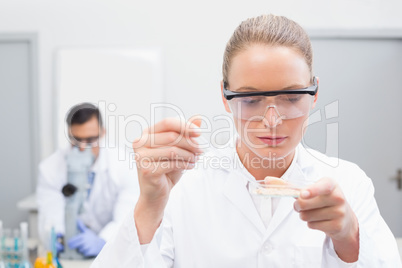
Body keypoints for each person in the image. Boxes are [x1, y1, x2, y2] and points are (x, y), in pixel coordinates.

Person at [91, 15, 401, 267]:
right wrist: (149, 206)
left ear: (315, 93)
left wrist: (348, 237)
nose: (272, 120)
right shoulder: (183, 188)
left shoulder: (350, 182)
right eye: (250, 99)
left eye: (292, 97)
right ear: (225, 96)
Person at [37, 103, 139, 257]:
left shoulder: (124, 165)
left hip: (112, 252)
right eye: (76, 140)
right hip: (69, 252)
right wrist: (58, 235)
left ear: (103, 133)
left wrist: (103, 241)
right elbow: (50, 213)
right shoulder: (50, 168)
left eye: (90, 139)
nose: (83, 148)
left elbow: (127, 218)